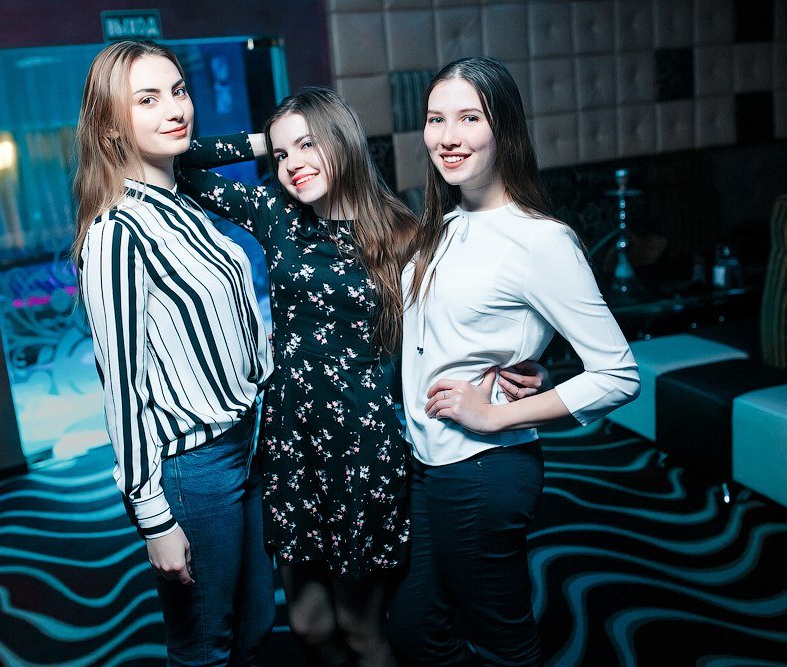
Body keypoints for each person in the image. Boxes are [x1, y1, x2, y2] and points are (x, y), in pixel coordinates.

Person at [178, 88, 551, 666]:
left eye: (308, 144)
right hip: (291, 439)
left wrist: (518, 363)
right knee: (307, 625)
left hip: (363, 445)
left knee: (360, 629)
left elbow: (456, 323)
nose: (293, 163)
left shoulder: (404, 233)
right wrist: (264, 140)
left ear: (342, 141)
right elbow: (179, 161)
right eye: (282, 154)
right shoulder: (276, 212)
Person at [387, 57, 641, 666]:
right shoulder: (443, 225)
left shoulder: (539, 240)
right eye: (435, 120)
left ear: (504, 128)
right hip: (425, 460)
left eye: (469, 118)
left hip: (483, 467)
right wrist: (531, 366)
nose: (448, 137)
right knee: (416, 629)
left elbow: (618, 374)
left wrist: (496, 415)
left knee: (501, 643)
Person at [72, 41, 274, 667]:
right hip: (193, 469)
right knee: (205, 646)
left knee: (256, 625)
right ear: (111, 125)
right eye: (148, 99)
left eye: (179, 90)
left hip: (244, 444)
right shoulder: (117, 233)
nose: (175, 109)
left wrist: (274, 141)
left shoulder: (183, 200)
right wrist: (153, 520)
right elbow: (123, 388)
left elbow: (193, 149)